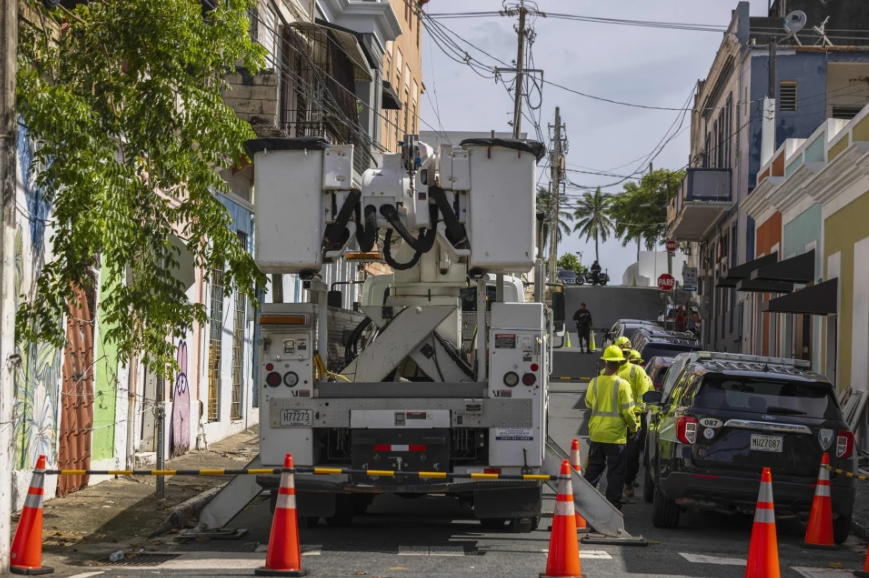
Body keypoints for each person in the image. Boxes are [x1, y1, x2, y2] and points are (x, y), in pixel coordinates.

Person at [584, 346, 639, 510]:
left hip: (596, 433)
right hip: (615, 436)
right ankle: (612, 506)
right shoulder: (623, 385)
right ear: (621, 363)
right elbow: (628, 412)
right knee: (615, 472)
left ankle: (585, 502)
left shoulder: (594, 382)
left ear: (604, 362)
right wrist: (633, 427)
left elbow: (588, 404)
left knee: (594, 468)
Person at [622, 349, 654, 497]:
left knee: (631, 452)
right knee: (631, 452)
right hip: (634, 417)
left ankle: (627, 480)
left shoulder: (642, 376)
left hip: (634, 417)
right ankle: (627, 481)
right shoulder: (642, 375)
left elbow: (650, 396)